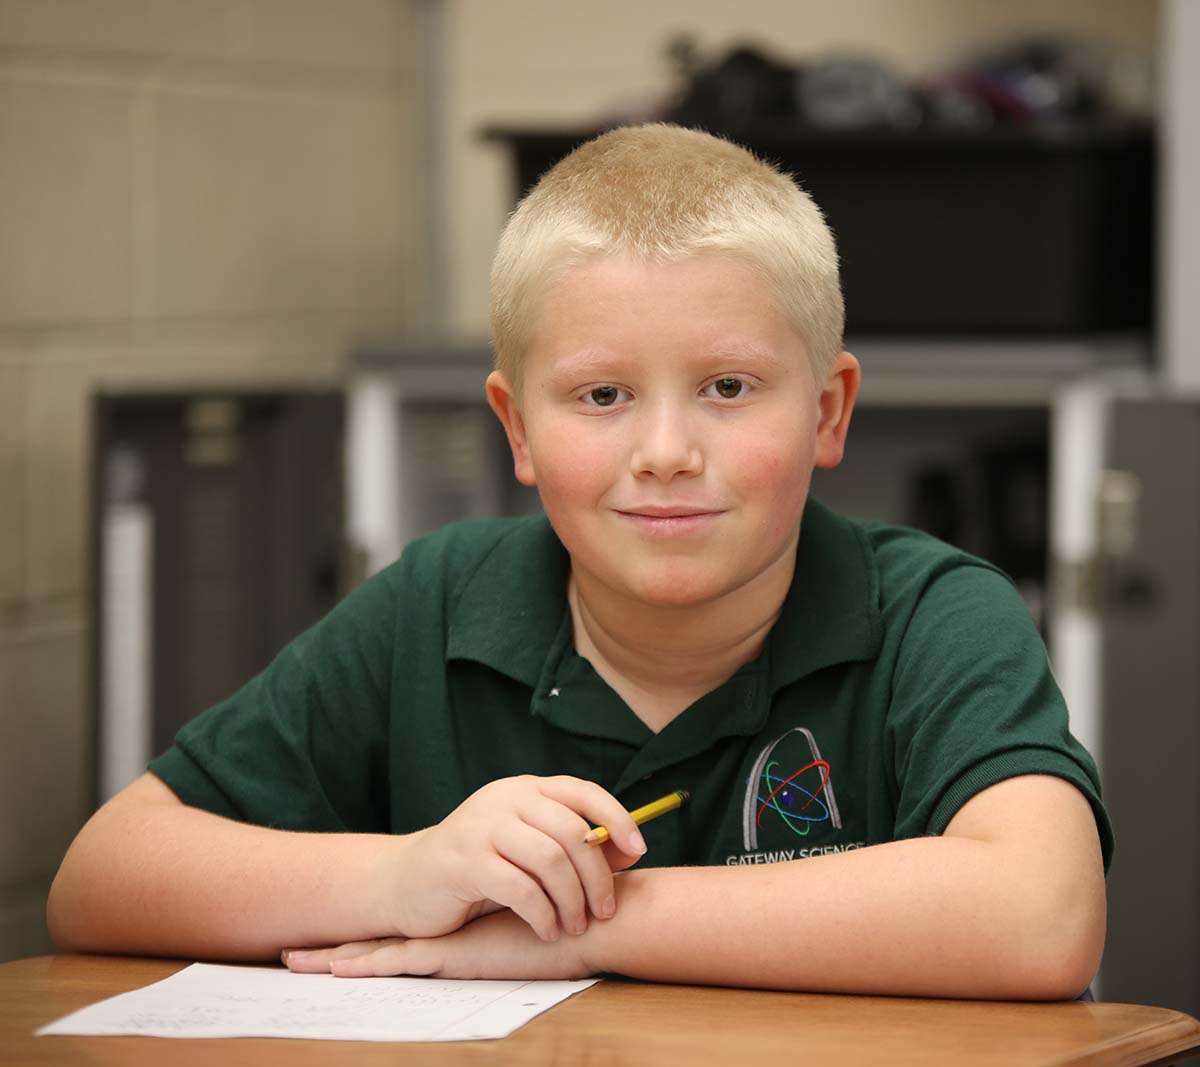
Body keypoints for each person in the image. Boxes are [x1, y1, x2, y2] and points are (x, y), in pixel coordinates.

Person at [48, 124, 1110, 999]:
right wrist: (406, 870)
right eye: (602, 395)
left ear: (828, 409)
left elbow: (1043, 914)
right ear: (516, 430)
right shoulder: (437, 602)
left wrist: (584, 927)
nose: (664, 452)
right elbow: (101, 876)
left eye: (729, 388)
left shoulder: (933, 611)